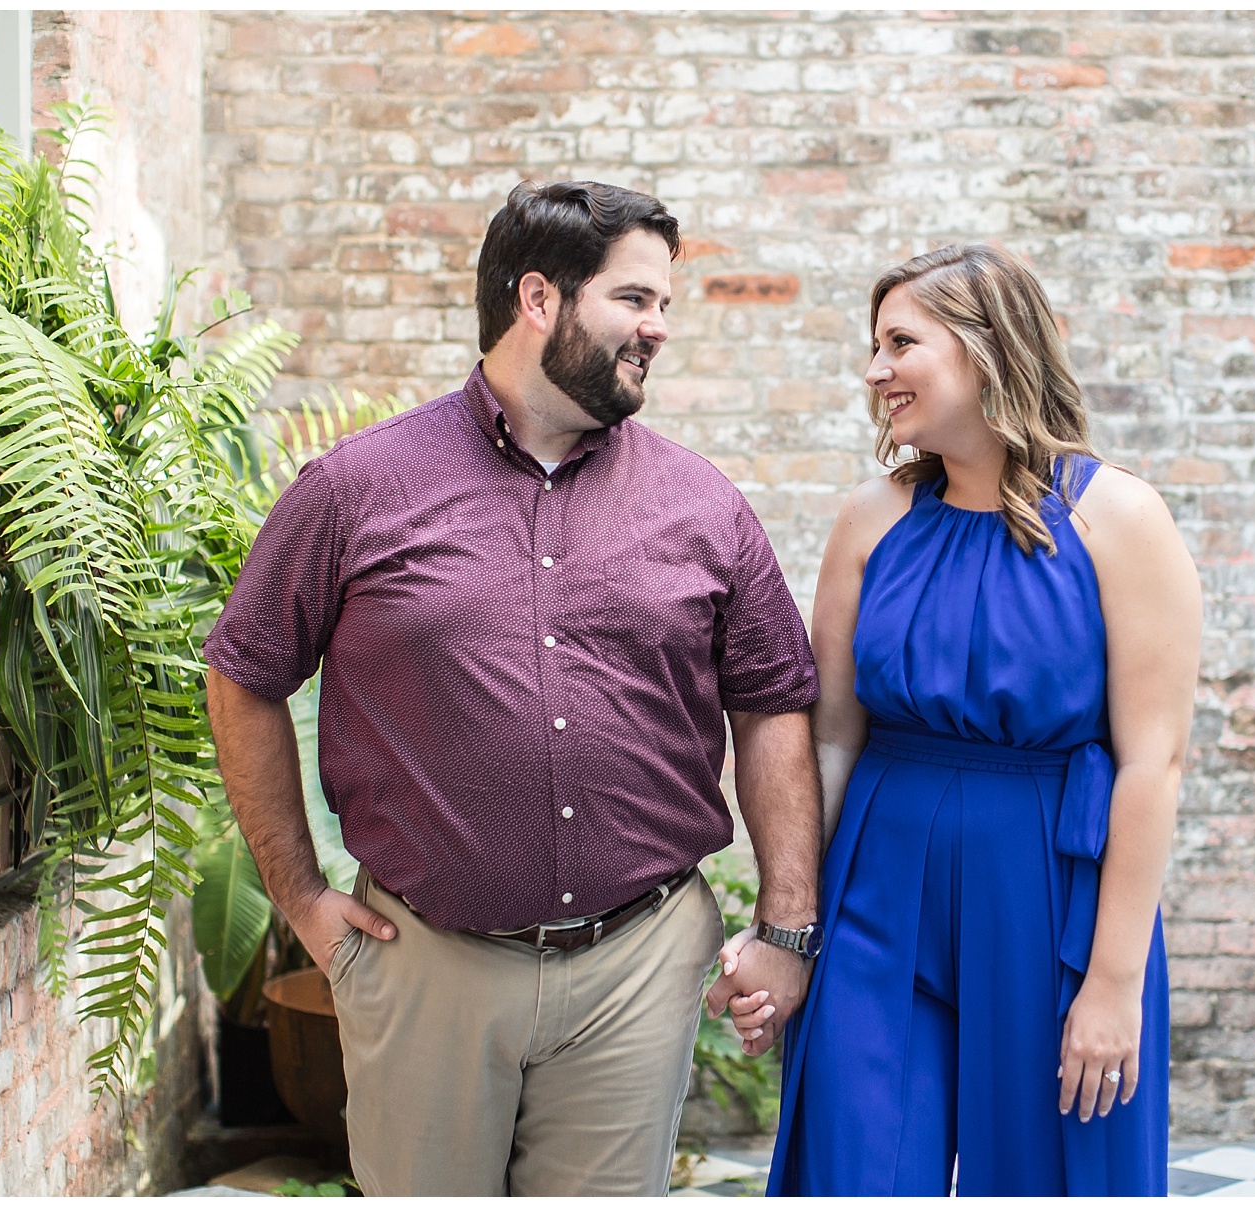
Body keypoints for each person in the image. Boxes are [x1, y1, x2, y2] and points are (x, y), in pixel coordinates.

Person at [203, 180, 823, 1197]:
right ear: (539, 298)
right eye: (635, 299)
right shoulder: (355, 489)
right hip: (427, 961)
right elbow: (245, 675)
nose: (658, 328)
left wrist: (787, 925)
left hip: (639, 961)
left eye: (666, 304)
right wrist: (301, 895)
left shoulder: (702, 503)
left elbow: (772, 702)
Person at [726, 243, 1200, 1196]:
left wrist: (1113, 983)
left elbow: (1155, 762)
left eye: (901, 342)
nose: (875, 371)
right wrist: (788, 930)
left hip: (1045, 891)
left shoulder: (1120, 518)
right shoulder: (873, 517)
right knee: (853, 1160)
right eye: (874, 346)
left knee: (1048, 1169)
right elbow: (830, 736)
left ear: (989, 349)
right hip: (876, 877)